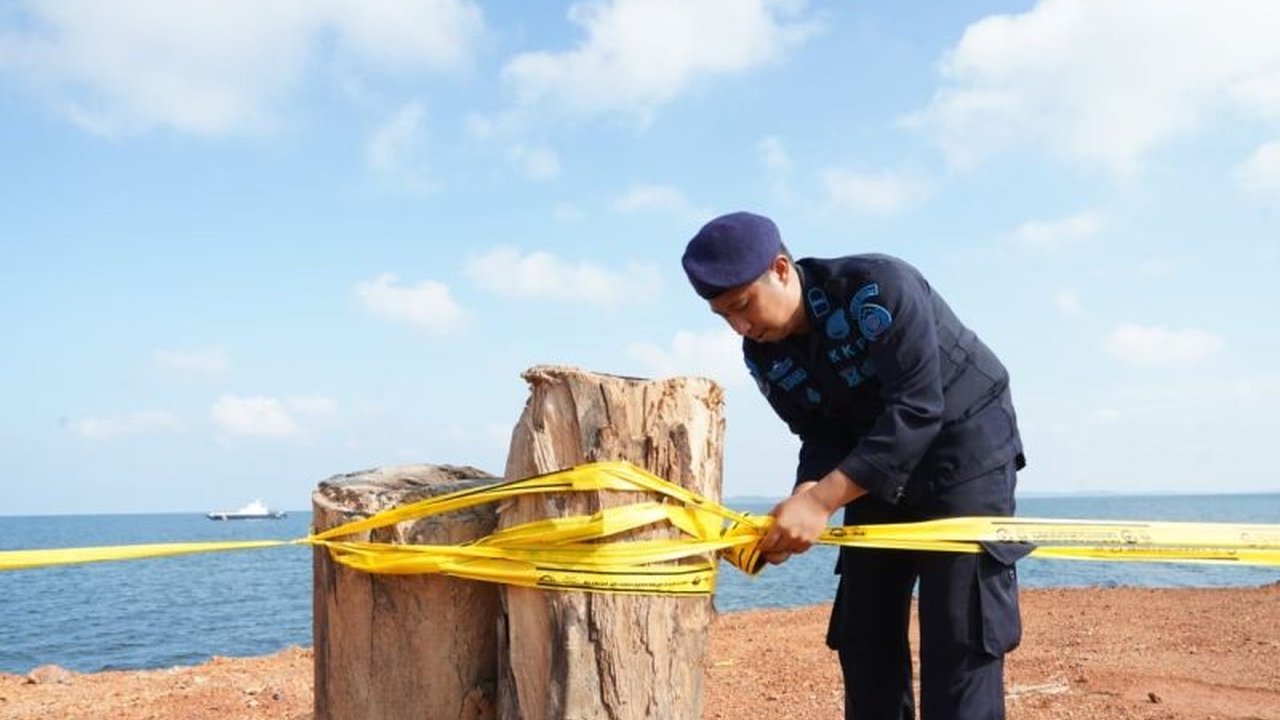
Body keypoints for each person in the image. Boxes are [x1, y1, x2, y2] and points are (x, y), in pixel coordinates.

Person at [682, 211, 1027, 720]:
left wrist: (822, 501)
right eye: (724, 316)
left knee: (960, 634)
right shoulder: (763, 355)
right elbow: (820, 431)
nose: (740, 326)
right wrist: (804, 496)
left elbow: (916, 409)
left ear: (780, 269)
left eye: (743, 305)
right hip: (876, 465)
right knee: (863, 631)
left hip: (965, 451)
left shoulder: (878, 288)